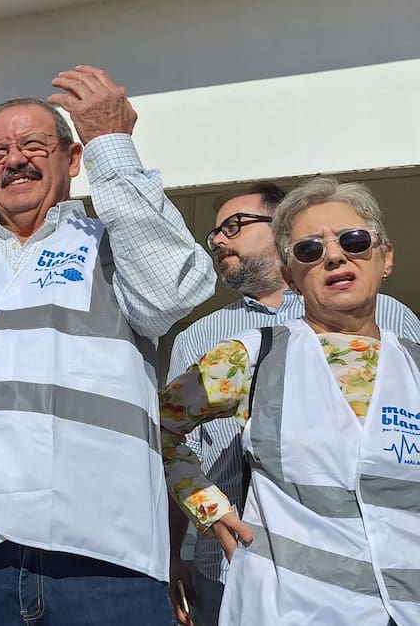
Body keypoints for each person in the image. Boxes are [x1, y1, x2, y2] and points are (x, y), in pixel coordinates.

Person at [0, 65, 216, 626]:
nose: (15, 159)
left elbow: (171, 292)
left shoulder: (117, 249)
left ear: (74, 158)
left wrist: (111, 145)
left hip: (106, 563)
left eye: (34, 145)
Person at [162, 177, 419, 625]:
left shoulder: (413, 362)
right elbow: (156, 426)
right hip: (293, 609)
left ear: (386, 257)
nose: (334, 256)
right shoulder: (251, 355)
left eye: (354, 241)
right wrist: (207, 507)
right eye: (310, 250)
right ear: (290, 276)